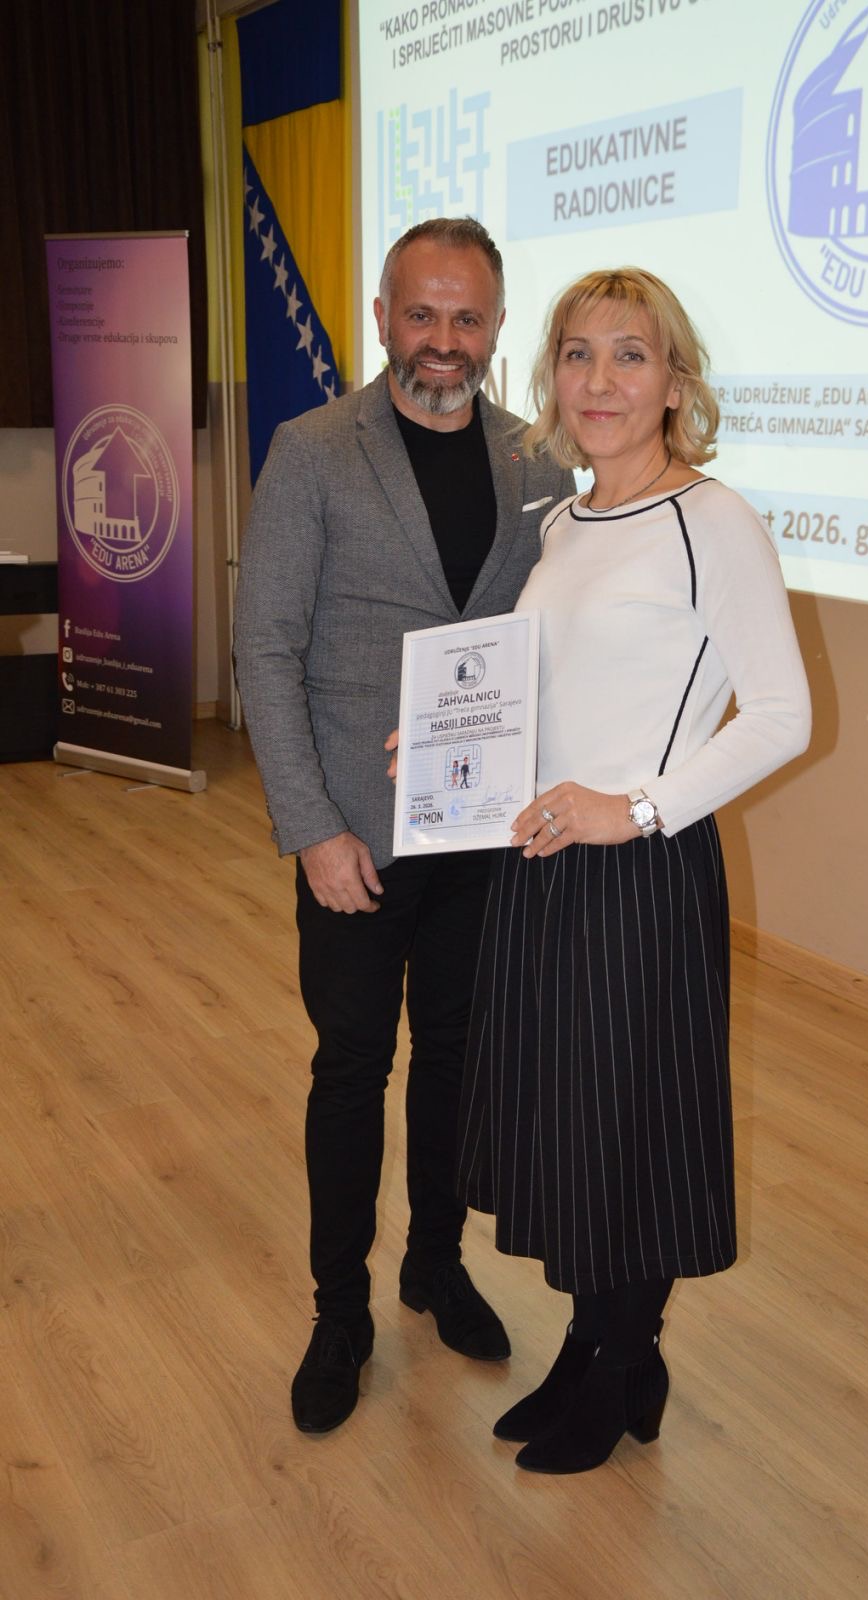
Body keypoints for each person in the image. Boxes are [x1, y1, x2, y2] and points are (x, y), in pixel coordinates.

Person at [456, 268, 812, 1474]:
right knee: (568, 1130)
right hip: (542, 865)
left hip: (637, 874)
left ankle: (623, 1360)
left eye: (629, 354)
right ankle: (591, 1345)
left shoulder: (714, 521)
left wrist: (640, 808)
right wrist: (450, 750)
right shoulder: (563, 523)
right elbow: (552, 694)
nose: (599, 380)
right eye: (576, 353)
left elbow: (781, 716)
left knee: (628, 1136)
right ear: (550, 376)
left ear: (673, 382)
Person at [233, 216, 573, 1435]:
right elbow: (265, 648)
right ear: (382, 317)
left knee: (458, 1057)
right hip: (356, 845)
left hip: (481, 837)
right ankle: (340, 1311)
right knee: (350, 1069)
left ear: (495, 325)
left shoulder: (538, 462)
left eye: (466, 317)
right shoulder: (313, 451)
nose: (443, 339)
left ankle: (435, 1262)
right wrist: (312, 828)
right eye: (420, 313)